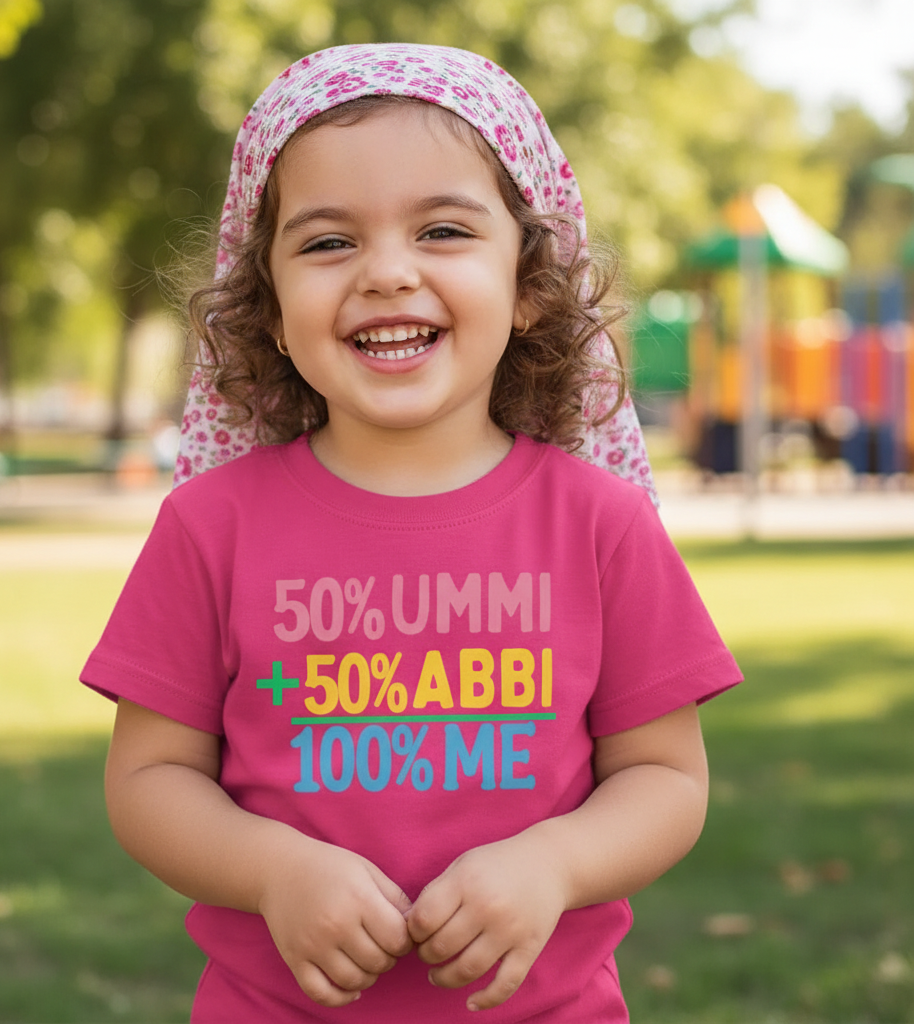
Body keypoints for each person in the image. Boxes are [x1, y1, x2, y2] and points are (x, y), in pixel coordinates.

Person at [82, 43, 742, 1023]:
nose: (387, 272)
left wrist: (555, 862)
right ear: (265, 307)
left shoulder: (597, 524)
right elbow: (147, 778)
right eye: (326, 243)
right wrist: (271, 870)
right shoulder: (210, 528)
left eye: (441, 230)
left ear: (527, 284)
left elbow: (666, 775)